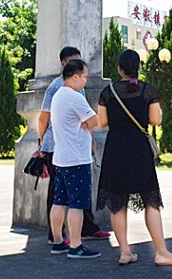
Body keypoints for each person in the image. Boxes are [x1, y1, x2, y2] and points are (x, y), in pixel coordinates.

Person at [96, 49, 172, 267]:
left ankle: (125, 252)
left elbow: (101, 122)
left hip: (116, 150)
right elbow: (156, 120)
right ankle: (161, 252)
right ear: (137, 67)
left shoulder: (107, 92)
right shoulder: (147, 90)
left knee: (118, 202)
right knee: (151, 200)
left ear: (119, 69)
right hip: (139, 150)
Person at [36, 46, 109, 244]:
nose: (84, 78)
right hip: (63, 149)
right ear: (66, 66)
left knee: (64, 198)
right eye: (74, 62)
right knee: (69, 198)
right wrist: (42, 143)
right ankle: (67, 239)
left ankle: (73, 233)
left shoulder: (68, 91)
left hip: (66, 150)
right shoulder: (58, 89)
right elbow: (44, 118)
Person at [48, 59, 102, 259]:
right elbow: (95, 121)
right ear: (76, 76)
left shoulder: (57, 95)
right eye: (84, 77)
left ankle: (58, 242)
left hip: (60, 158)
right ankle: (76, 245)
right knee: (77, 204)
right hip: (77, 159)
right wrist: (87, 121)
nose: (85, 82)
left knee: (59, 201)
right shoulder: (75, 97)